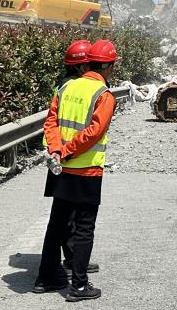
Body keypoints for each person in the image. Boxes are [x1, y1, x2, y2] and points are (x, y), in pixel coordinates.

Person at [36, 39, 118, 301]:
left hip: (61, 166)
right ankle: (80, 286)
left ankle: (45, 278)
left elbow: (51, 121)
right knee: (84, 228)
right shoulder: (103, 95)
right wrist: (69, 150)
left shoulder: (67, 87)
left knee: (57, 223)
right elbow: (94, 133)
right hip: (86, 171)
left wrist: (58, 149)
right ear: (106, 66)